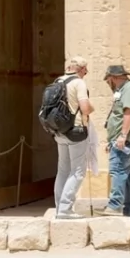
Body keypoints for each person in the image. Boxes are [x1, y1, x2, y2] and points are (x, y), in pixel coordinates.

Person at [100, 64, 130, 217]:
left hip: (128, 140)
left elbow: (129, 112)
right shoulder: (123, 91)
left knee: (118, 170)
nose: (108, 83)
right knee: (127, 176)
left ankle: (115, 205)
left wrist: (122, 136)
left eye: (108, 80)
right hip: (123, 139)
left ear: (113, 78)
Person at [52, 56, 94, 219]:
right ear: (81, 69)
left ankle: (59, 209)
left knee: (63, 170)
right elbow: (85, 108)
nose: (86, 72)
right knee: (78, 171)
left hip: (59, 131)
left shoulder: (58, 81)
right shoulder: (79, 83)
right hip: (75, 131)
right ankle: (65, 208)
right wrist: (92, 108)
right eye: (85, 69)